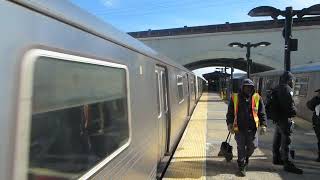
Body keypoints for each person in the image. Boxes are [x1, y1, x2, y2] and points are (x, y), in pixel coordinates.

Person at [226, 79, 267, 177]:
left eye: (250, 87)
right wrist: (229, 124)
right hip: (239, 128)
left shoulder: (257, 98)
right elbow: (230, 113)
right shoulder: (235, 98)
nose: (248, 88)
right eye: (246, 87)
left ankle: (246, 157)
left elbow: (262, 112)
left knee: (253, 146)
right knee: (241, 147)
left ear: (252, 88)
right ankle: (241, 165)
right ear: (242, 87)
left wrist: (263, 125)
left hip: (252, 129)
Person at [272, 71, 303, 174]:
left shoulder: (276, 88)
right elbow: (289, 105)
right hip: (285, 119)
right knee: (287, 140)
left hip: (278, 118)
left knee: (277, 138)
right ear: (289, 80)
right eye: (292, 80)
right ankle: (288, 163)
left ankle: (276, 158)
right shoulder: (287, 89)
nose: (293, 83)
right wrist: (295, 111)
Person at [307, 88, 320, 162]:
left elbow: (309, 105)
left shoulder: (317, 100)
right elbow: (309, 105)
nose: (318, 94)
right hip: (317, 122)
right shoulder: (316, 100)